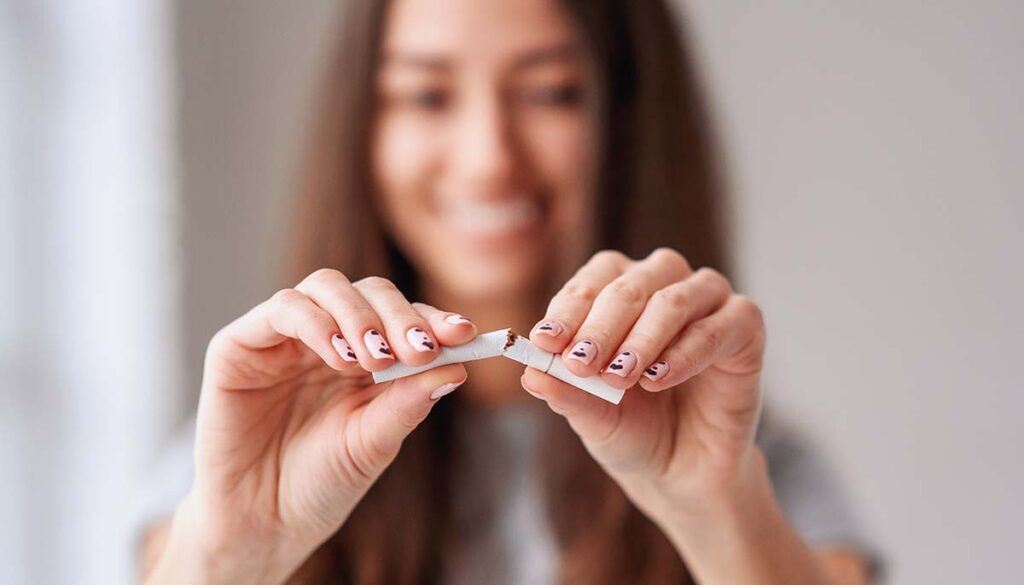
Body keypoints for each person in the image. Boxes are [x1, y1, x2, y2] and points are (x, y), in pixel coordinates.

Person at [140, 0, 878, 582]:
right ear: (363, 128)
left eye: (552, 92)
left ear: (626, 119)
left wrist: (716, 510)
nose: (489, 157)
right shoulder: (238, 457)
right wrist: (232, 558)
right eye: (426, 95)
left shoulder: (755, 469)